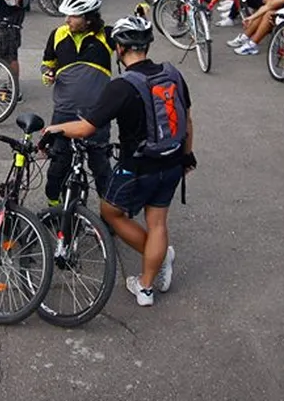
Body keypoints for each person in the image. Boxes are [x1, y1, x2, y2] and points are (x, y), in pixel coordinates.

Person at [42, 15, 195, 307]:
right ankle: (146, 288)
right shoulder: (172, 73)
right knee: (158, 222)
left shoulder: (122, 86)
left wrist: (54, 129)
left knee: (111, 212)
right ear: (147, 44)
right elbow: (187, 120)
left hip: (138, 165)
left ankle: (157, 259)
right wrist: (187, 156)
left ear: (119, 48)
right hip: (173, 160)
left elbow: (86, 127)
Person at [40, 0, 113, 204]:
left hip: (96, 115)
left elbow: (134, 48)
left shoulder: (107, 36)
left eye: (73, 16)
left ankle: (109, 215)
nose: (67, 20)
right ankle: (54, 204)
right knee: (58, 165)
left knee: (100, 166)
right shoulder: (58, 34)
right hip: (64, 113)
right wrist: (47, 75)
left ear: (89, 19)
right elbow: (47, 64)